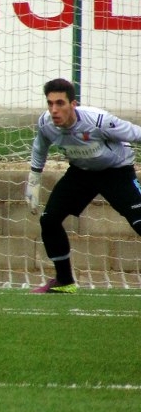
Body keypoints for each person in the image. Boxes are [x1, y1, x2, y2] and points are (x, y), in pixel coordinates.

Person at [26, 77, 141, 293]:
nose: (54, 110)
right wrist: (34, 179)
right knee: (49, 220)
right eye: (50, 103)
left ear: (73, 104)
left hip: (116, 172)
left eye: (60, 103)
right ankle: (64, 281)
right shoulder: (45, 123)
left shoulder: (99, 121)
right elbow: (39, 148)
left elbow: (136, 134)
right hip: (81, 173)